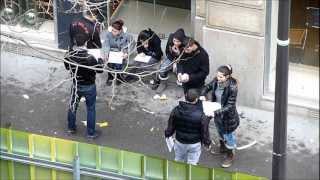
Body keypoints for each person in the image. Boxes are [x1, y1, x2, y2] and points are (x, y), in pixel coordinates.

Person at [64, 33, 104, 139]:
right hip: (89, 86)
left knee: (73, 106)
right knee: (91, 109)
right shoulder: (90, 58)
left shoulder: (69, 55)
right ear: (86, 43)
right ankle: (91, 133)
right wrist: (100, 59)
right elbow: (100, 70)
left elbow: (67, 67)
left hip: (76, 84)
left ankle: (71, 128)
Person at [200, 65, 239, 168]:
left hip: (227, 117)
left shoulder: (232, 87)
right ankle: (223, 148)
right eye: (217, 76)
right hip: (217, 111)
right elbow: (207, 86)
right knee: (220, 131)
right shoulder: (216, 81)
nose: (218, 78)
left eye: (221, 77)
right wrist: (203, 94)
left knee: (228, 136)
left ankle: (230, 155)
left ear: (227, 77)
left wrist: (216, 111)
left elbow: (230, 105)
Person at [165, 89, 211, 165]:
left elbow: (171, 126)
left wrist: (168, 134)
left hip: (180, 141)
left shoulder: (176, 110)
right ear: (196, 99)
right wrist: (207, 143)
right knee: (192, 162)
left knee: (179, 159)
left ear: (185, 97)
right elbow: (204, 131)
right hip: (194, 143)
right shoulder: (202, 115)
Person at [151, 28, 187, 94]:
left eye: (178, 42)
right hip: (171, 58)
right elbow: (167, 51)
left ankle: (180, 86)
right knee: (162, 68)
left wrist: (178, 54)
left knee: (180, 72)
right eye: (174, 41)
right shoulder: (171, 39)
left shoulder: (186, 44)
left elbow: (186, 58)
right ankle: (163, 83)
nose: (176, 43)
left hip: (182, 61)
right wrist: (172, 55)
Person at [102, 19, 133, 85]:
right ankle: (110, 77)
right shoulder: (109, 34)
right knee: (110, 64)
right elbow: (106, 44)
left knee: (119, 66)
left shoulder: (126, 35)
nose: (113, 32)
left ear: (120, 30)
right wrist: (106, 53)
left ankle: (119, 77)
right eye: (112, 30)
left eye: (115, 31)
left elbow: (132, 43)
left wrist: (127, 53)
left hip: (121, 52)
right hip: (111, 51)